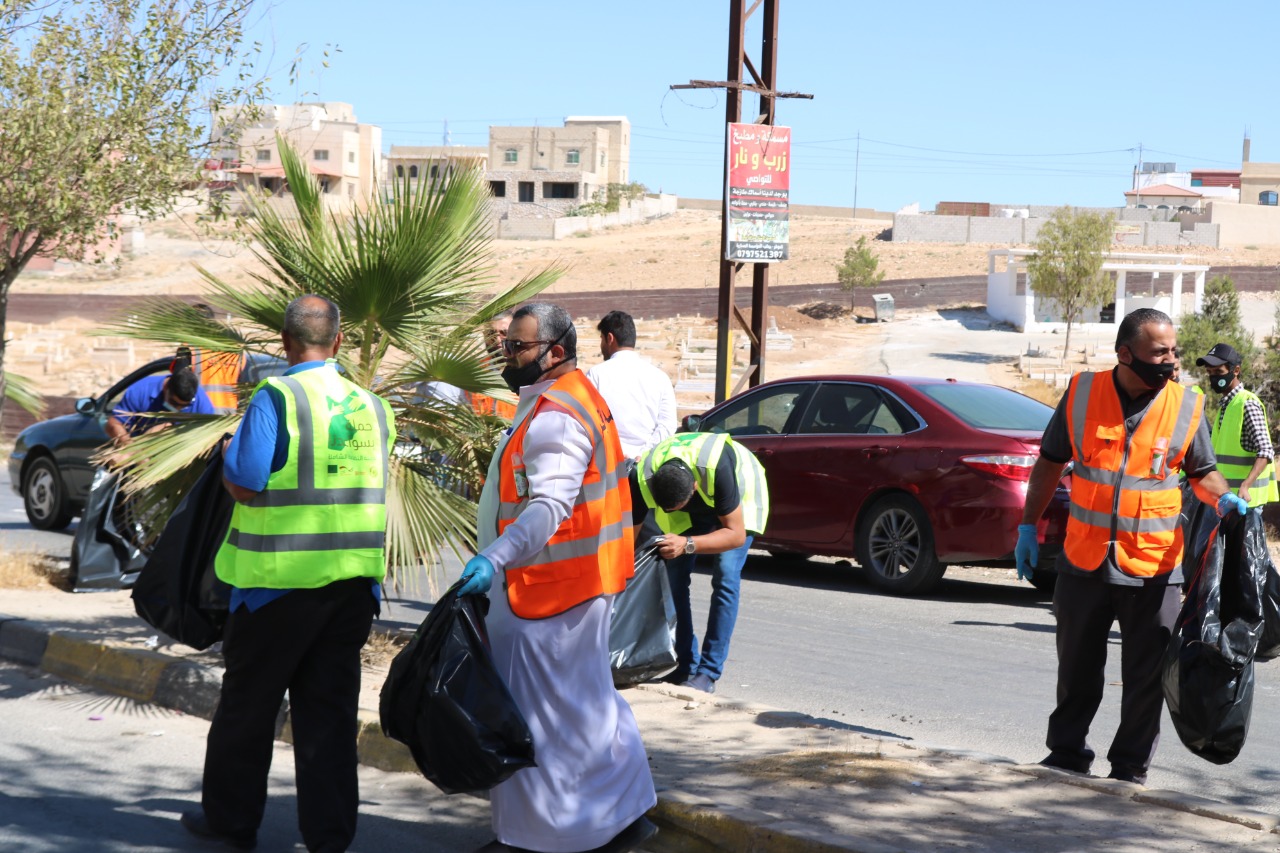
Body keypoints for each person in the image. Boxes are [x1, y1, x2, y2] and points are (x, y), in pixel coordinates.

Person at [181, 295, 395, 852]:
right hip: (352, 588)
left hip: (276, 588)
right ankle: (329, 837)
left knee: (248, 709)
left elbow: (247, 481)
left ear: (284, 342)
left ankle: (231, 822)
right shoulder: (373, 407)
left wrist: (230, 455)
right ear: (339, 342)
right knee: (328, 716)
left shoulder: (277, 396)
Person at [457, 302, 658, 853]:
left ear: (556, 351)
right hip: (577, 587)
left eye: (517, 347)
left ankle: (533, 838)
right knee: (588, 708)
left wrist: (494, 559)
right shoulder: (574, 397)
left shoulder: (556, 415)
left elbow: (548, 507)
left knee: (537, 719)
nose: (506, 354)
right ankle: (626, 816)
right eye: (506, 344)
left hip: (543, 594)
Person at [1015, 308, 1245, 786]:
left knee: (1145, 682)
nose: (1172, 361)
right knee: (1076, 671)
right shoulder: (1081, 393)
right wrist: (1026, 527)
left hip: (1155, 568)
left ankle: (1129, 769)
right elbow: (1050, 462)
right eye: (1160, 352)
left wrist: (1222, 497)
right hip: (1084, 560)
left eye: (1174, 351)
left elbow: (1201, 474)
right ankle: (1066, 757)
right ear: (1125, 354)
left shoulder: (1186, 404)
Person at [630, 431, 769, 694]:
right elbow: (629, 541)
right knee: (673, 579)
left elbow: (735, 535)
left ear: (693, 488)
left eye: (678, 506)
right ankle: (686, 665)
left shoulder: (719, 466)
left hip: (739, 494)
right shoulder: (642, 477)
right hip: (695, 499)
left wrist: (687, 544)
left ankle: (708, 672)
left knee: (726, 576)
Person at [586, 309, 677, 459]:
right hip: (645, 467)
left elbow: (589, 422)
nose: (601, 345)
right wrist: (642, 455)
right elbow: (667, 425)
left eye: (601, 339)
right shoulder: (660, 377)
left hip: (608, 465)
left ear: (609, 338)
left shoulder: (596, 375)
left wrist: (616, 454)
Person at [1196, 342, 1277, 510]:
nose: (1213, 377)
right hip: (1224, 499)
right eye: (1209, 372)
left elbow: (1266, 451)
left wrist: (1246, 485)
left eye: (1219, 372)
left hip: (1244, 502)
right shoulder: (1227, 404)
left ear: (1236, 371)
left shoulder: (1247, 404)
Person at [104, 365, 214, 443]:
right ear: (166, 388)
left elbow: (210, 434)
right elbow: (115, 423)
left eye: (184, 406)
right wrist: (131, 450)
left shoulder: (201, 401)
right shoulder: (140, 390)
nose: (178, 409)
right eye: (174, 403)